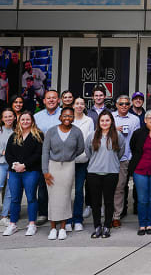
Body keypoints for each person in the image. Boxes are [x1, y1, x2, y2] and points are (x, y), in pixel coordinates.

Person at [42, 107, 86, 241]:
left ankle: (62, 227)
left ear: (73, 118)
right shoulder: (51, 132)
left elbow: (81, 148)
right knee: (53, 197)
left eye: (70, 116)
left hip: (68, 167)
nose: (68, 118)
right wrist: (45, 171)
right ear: (60, 117)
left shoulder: (77, 132)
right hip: (52, 166)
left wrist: (70, 156)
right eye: (65, 116)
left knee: (66, 196)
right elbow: (45, 152)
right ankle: (52, 228)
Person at [2, 112, 44, 236]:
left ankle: (32, 224)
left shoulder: (38, 135)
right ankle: (12, 224)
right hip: (14, 171)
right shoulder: (14, 135)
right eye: (23, 119)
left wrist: (24, 165)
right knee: (15, 198)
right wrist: (14, 165)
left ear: (32, 121)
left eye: (27, 119)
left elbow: (38, 154)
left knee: (31, 197)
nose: (25, 121)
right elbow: (8, 153)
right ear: (19, 121)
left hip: (31, 171)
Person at [84, 111, 121, 239]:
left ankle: (106, 226)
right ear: (98, 122)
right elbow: (88, 152)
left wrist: (110, 162)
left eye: (107, 120)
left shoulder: (118, 136)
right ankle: (97, 226)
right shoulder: (92, 136)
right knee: (95, 202)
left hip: (111, 172)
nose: (104, 123)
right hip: (94, 173)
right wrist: (97, 162)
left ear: (111, 121)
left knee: (109, 201)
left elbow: (120, 152)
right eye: (102, 121)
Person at [111, 94, 140, 227]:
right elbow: (101, 134)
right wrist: (114, 130)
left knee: (136, 187)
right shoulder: (110, 117)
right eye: (121, 104)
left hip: (131, 157)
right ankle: (116, 215)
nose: (124, 106)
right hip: (116, 158)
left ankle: (136, 210)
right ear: (116, 105)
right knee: (119, 188)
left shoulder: (135, 119)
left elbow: (138, 138)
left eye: (126, 104)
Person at [34, 89, 62, 220]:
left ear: (59, 100)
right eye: (48, 98)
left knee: (60, 186)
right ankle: (43, 213)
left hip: (60, 156)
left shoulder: (65, 114)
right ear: (44, 101)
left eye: (54, 98)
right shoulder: (37, 117)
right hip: (42, 156)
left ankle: (59, 213)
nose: (51, 100)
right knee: (43, 185)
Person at [70, 97, 95, 231]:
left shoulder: (89, 120)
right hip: (67, 160)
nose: (79, 106)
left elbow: (90, 140)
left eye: (82, 104)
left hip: (83, 160)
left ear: (85, 106)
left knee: (79, 190)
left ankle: (77, 219)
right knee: (66, 191)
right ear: (73, 105)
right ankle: (67, 220)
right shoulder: (68, 118)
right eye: (77, 103)